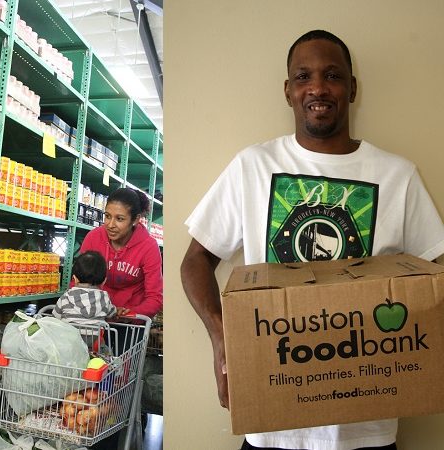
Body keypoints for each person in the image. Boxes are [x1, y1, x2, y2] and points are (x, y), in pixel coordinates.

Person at [181, 30, 444, 450]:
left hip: (367, 430)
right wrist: (222, 339)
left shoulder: (398, 176)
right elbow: (195, 259)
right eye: (303, 76)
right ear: (288, 91)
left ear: (353, 88)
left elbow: (436, 273)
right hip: (271, 426)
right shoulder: (253, 166)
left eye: (333, 75)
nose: (318, 87)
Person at [77, 187, 162, 318]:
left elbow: (155, 298)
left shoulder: (149, 247)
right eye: (107, 216)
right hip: (95, 317)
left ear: (135, 220)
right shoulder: (93, 238)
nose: (111, 225)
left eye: (120, 219)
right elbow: (77, 281)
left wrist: (129, 314)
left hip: (131, 324)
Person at [53, 251, 115, 328]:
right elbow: (111, 314)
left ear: (75, 278)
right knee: (101, 337)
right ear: (104, 281)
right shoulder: (104, 297)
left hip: (68, 338)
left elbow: (56, 317)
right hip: (94, 339)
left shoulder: (66, 296)